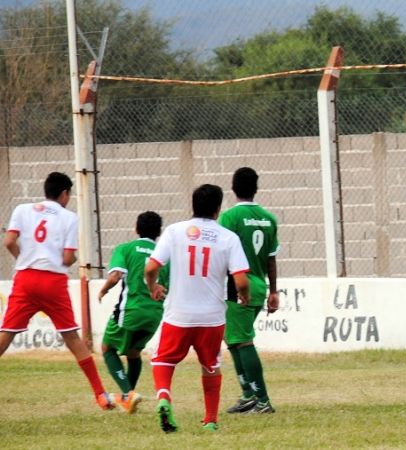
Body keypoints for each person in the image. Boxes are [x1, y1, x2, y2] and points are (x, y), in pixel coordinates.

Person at [0, 172, 116, 409]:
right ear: (64, 194)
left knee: (7, 334)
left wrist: (24, 259)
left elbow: (9, 242)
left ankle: (102, 394)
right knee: (72, 337)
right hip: (53, 282)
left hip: (25, 278)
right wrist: (68, 261)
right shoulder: (69, 217)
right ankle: (101, 395)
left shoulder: (22, 210)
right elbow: (67, 257)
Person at [145, 184, 250, 433]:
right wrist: (244, 296)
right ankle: (211, 421)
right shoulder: (228, 237)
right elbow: (242, 281)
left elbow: (150, 268)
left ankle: (163, 397)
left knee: (163, 359)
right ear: (218, 209)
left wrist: (153, 286)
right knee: (211, 365)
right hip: (212, 317)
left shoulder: (174, 231)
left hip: (179, 314)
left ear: (193, 205)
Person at [219, 167, 280, 415]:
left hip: (237, 286)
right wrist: (274, 291)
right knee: (233, 339)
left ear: (233, 189)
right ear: (256, 188)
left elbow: (219, 254)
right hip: (258, 284)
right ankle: (248, 395)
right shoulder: (269, 218)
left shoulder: (229, 218)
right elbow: (271, 259)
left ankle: (262, 400)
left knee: (243, 341)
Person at [97, 211, 170, 413]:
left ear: (136, 229)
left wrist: (103, 290)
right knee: (133, 352)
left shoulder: (126, 249)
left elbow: (116, 276)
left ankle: (128, 393)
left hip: (131, 310)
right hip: (154, 314)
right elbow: (169, 286)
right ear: (159, 232)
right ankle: (127, 397)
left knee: (107, 348)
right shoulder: (164, 255)